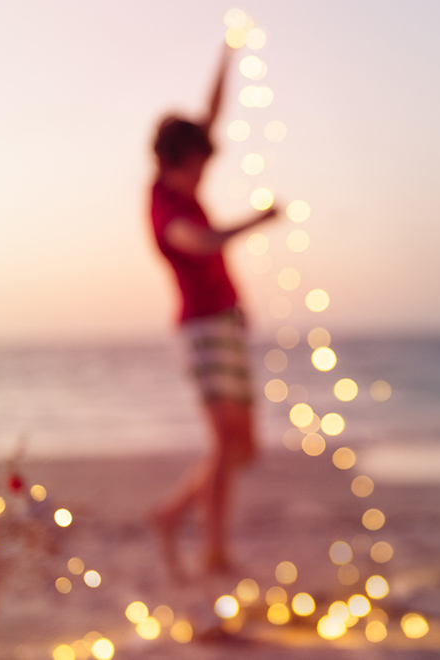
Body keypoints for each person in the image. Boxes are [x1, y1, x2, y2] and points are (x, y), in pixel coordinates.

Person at [147, 44, 279, 579]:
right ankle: (214, 550)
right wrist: (257, 221)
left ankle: (171, 514)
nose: (204, 174)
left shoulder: (185, 177)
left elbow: (211, 112)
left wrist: (227, 55)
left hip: (224, 321)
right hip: (199, 329)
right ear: (176, 161)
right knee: (225, 442)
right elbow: (199, 242)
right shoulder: (165, 205)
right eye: (199, 165)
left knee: (245, 447)